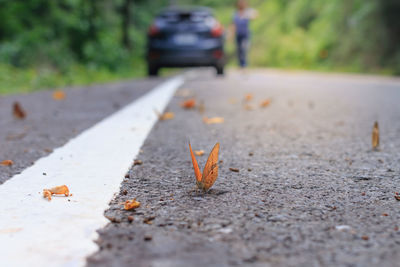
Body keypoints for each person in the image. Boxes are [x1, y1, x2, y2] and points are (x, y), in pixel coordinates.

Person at [231, 0, 258, 68]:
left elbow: (255, 15)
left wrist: (248, 13)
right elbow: (233, 25)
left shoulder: (247, 12)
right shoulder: (235, 13)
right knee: (239, 50)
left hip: (245, 35)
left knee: (244, 49)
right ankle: (240, 65)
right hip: (238, 35)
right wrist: (231, 35)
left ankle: (244, 65)